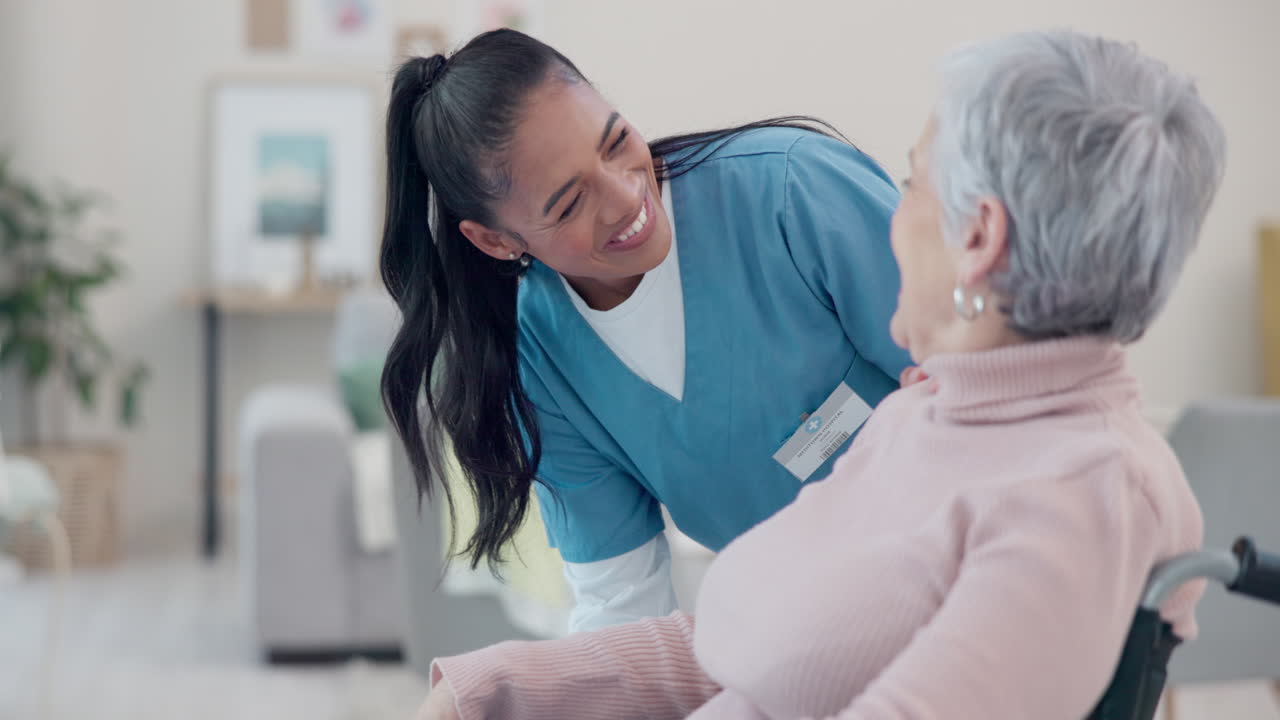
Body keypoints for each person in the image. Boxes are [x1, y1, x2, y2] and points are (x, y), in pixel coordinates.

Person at [414, 28, 1226, 719]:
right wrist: (491, 688)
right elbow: (771, 639)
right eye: (565, 202)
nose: (878, 208)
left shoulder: (1078, 488)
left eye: (910, 183)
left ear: (976, 239)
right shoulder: (921, 424)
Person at [380, 29, 911, 631]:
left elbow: (1001, 389)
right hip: (810, 636)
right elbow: (621, 602)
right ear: (496, 240)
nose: (626, 195)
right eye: (569, 203)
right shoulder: (538, 366)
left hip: (978, 569)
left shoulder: (793, 191)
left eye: (615, 142)